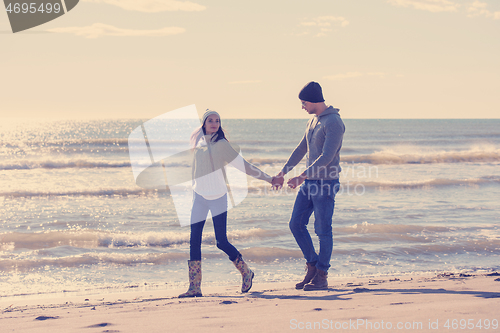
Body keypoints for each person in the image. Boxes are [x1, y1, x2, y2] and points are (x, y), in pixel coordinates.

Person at [179, 109, 274, 298]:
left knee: (221, 241)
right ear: (204, 123)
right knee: (194, 240)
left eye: (217, 120)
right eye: (211, 120)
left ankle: (246, 272)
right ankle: (195, 288)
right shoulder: (199, 143)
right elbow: (195, 170)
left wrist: (269, 179)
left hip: (218, 198)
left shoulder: (222, 144)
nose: (214, 123)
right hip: (199, 197)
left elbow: (244, 166)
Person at [272, 81, 345, 291]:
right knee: (296, 224)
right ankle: (312, 265)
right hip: (310, 182)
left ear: (312, 100)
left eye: (303, 102)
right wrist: (283, 172)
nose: (302, 106)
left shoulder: (334, 122)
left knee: (323, 229)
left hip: (326, 183)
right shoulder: (313, 122)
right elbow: (301, 148)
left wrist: (301, 176)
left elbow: (327, 157)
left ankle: (322, 275)